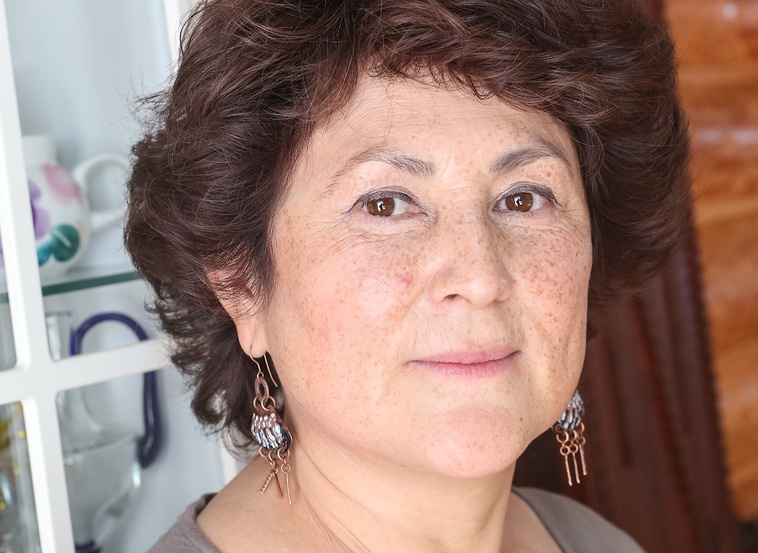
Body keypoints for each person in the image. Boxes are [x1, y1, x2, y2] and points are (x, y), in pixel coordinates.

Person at [125, 0, 689, 551]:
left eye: (523, 198)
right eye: (386, 205)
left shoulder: (597, 541)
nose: (480, 277)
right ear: (242, 285)